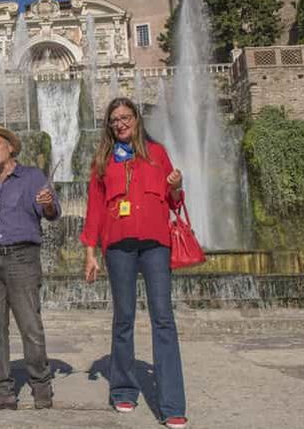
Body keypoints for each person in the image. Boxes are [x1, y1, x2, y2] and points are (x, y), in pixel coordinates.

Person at [80, 97, 188, 429]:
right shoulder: (102, 161)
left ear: (137, 119)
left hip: (156, 244)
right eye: (114, 120)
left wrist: (177, 185)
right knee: (123, 318)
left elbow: (174, 200)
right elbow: (95, 208)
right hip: (118, 247)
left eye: (125, 117)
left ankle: (172, 404)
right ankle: (123, 388)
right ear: (109, 126)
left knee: (163, 319)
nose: (120, 123)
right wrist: (90, 252)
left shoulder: (157, 154)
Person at [0, 124, 60, 413]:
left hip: (22, 258)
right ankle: (3, 392)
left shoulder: (32, 176)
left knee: (30, 326)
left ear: (10, 147)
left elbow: (53, 212)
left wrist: (46, 204)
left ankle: (41, 386)